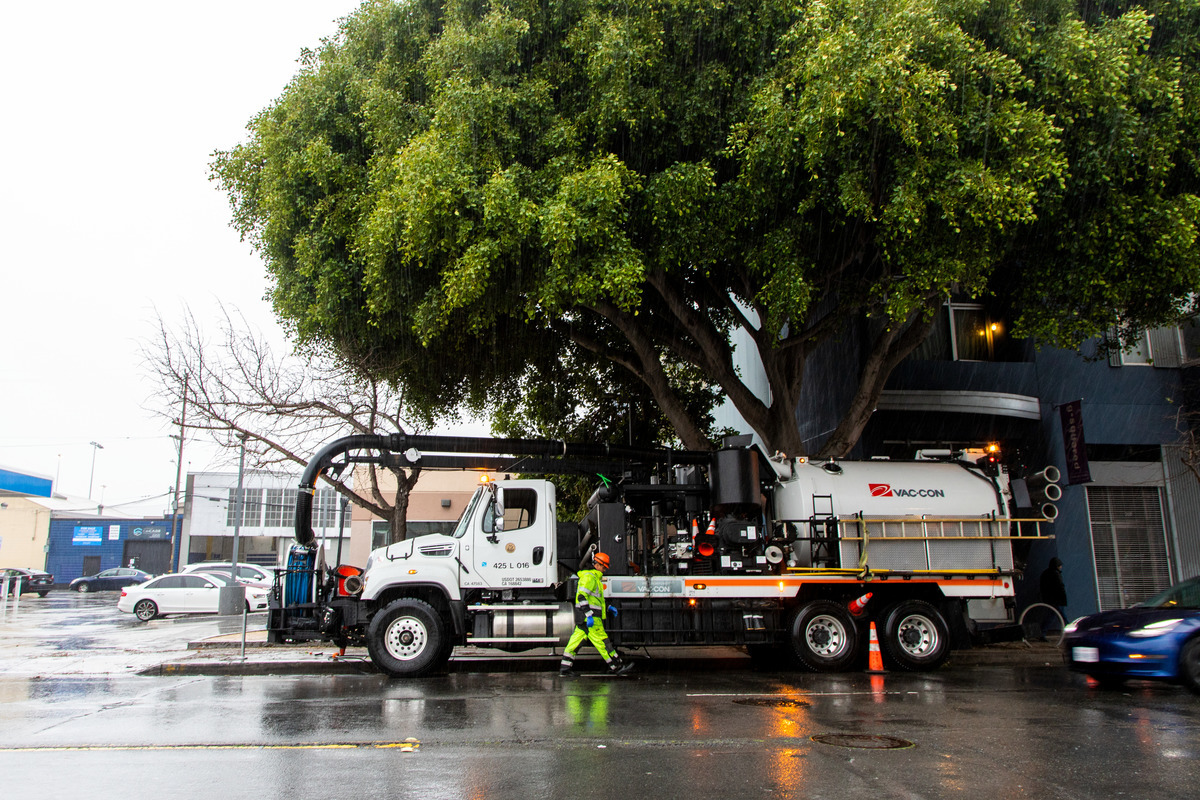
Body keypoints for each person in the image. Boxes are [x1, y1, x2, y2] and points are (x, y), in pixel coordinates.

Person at [559, 551, 634, 677]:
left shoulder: (594, 578)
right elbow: (581, 596)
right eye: (604, 566)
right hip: (591, 618)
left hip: (586, 617)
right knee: (603, 643)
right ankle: (617, 666)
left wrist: (608, 607)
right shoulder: (590, 577)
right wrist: (588, 615)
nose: (605, 569)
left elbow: (595, 599)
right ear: (597, 565)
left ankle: (565, 669)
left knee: (574, 643)